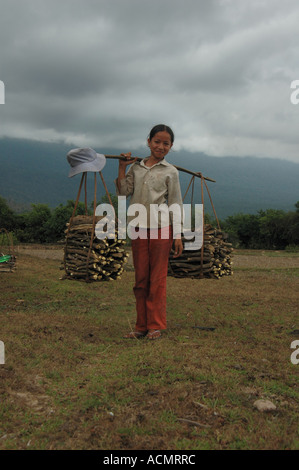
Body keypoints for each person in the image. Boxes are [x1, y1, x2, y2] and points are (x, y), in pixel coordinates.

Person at [116, 124, 184, 340]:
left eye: (166, 143)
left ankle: (155, 326)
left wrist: (177, 235)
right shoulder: (136, 167)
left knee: (157, 279)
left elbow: (175, 202)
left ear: (171, 146)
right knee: (140, 278)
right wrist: (121, 167)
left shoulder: (170, 171)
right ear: (148, 141)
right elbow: (123, 192)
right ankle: (140, 326)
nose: (160, 146)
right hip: (138, 228)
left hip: (162, 228)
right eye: (157, 142)